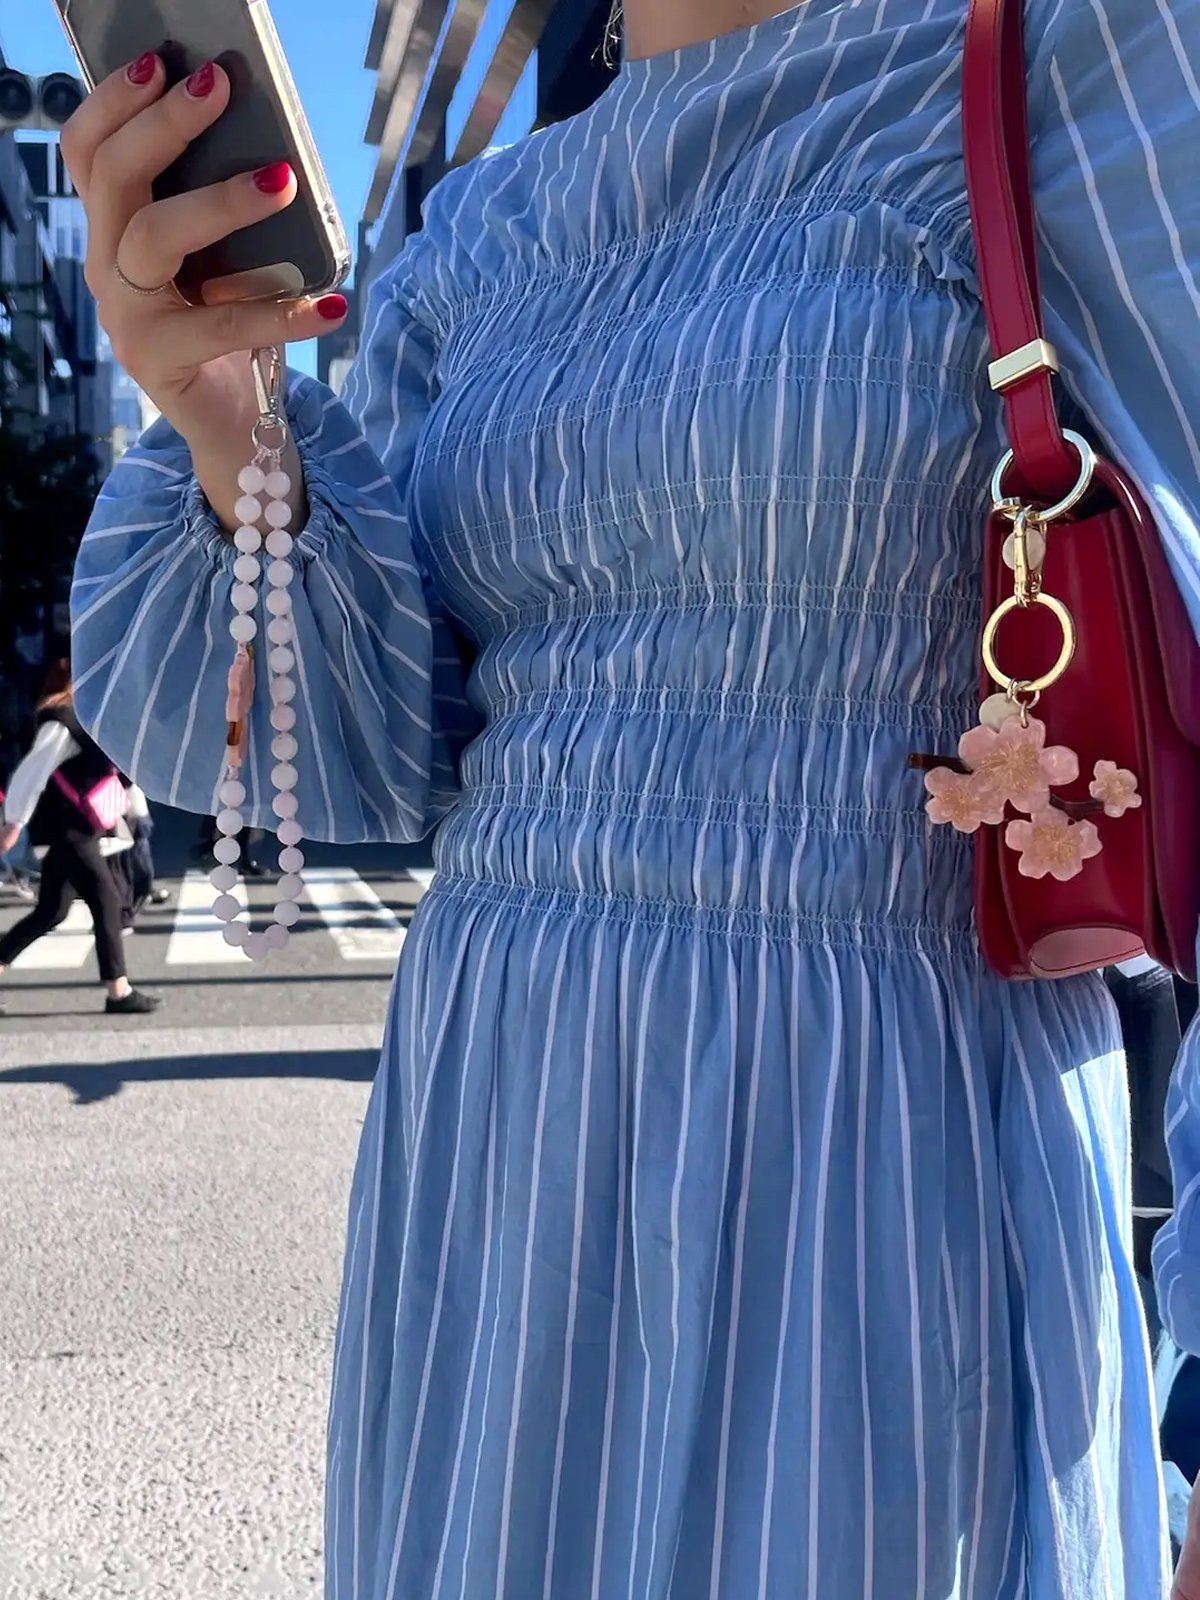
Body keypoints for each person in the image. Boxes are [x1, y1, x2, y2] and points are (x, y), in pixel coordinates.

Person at [56, 2, 1200, 1595]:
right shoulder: (493, 225)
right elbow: (375, 740)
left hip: (876, 1160)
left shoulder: (1070, 52)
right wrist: (225, 421)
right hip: (496, 1156)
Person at [0, 662, 161, 1016]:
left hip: (78, 830)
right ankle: (118, 990)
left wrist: (135, 814)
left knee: (51, 911)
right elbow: (32, 772)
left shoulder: (83, 718)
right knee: (105, 898)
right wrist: (13, 824)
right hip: (66, 830)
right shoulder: (61, 720)